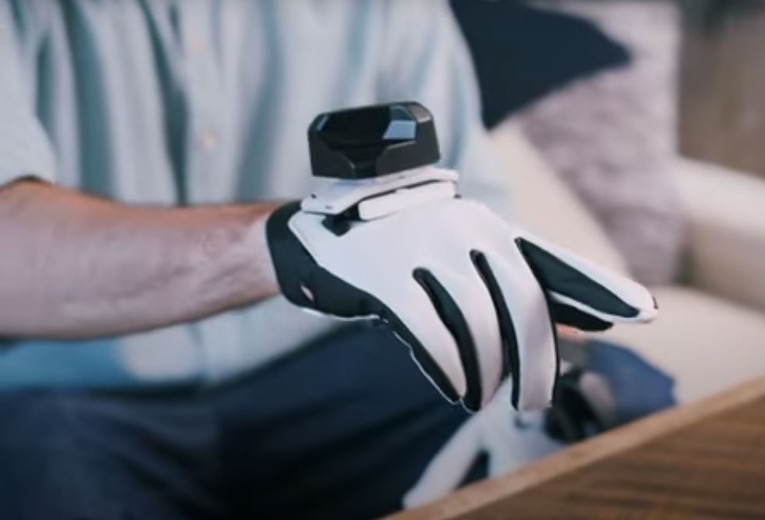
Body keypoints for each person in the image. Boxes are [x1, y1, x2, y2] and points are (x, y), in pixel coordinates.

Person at [0, 2, 656, 519]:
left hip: (328, 376)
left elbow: (467, 217)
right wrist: (283, 247)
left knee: (616, 403)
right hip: (60, 402)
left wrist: (542, 352)